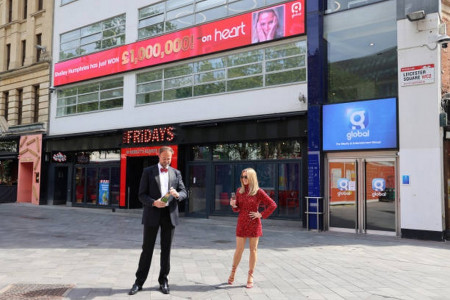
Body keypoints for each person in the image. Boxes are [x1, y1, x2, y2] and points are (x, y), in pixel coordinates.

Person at [129, 146, 187, 295]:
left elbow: (184, 192)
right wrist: (153, 202)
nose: (166, 161)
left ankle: (164, 280)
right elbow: (141, 195)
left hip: (170, 215)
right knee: (147, 249)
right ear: (158, 156)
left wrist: (177, 195)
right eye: (164, 158)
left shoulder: (176, 173)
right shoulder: (148, 172)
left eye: (169, 159)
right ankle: (139, 282)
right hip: (152, 214)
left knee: (166, 250)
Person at [228, 168, 277, 288]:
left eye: (246, 177)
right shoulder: (239, 191)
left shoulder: (258, 192)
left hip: (254, 223)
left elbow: (273, 204)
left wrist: (261, 214)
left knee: (253, 250)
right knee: (239, 249)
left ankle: (250, 275)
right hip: (242, 223)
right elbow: (237, 208)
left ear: (251, 178)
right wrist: (233, 205)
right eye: (242, 177)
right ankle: (233, 272)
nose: (243, 179)